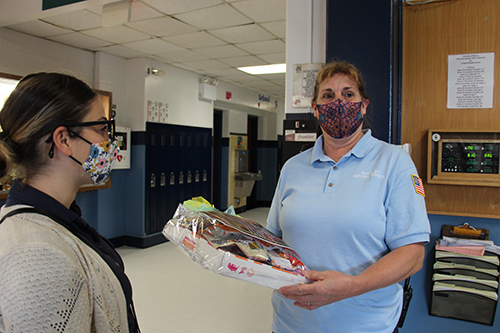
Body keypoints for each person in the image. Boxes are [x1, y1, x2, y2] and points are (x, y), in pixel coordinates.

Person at [266, 61, 431, 333]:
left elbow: (412, 255)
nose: (339, 102)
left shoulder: (395, 162)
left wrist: (352, 286)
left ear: (363, 105)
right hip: (290, 324)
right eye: (328, 96)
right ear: (316, 109)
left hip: (365, 325)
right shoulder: (293, 168)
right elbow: (272, 239)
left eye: (348, 94)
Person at [0, 73, 140, 332]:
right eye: (101, 129)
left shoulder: (57, 219)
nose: (110, 143)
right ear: (63, 140)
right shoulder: (38, 256)